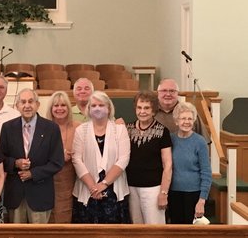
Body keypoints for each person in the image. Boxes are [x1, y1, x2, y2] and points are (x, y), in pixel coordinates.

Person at [0, 88, 64, 224]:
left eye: (31, 101)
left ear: (37, 105)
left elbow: (57, 162)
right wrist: (16, 163)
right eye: (23, 102)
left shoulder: (51, 128)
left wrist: (33, 173)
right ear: (17, 106)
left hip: (40, 194)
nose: (27, 105)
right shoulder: (7, 128)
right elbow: (1, 159)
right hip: (15, 195)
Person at [72, 91, 131, 224]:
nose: (97, 108)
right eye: (93, 106)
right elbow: (76, 159)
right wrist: (93, 186)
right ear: (88, 109)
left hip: (114, 190)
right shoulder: (81, 130)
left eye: (101, 105)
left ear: (109, 108)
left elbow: (123, 159)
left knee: (113, 237)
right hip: (87, 189)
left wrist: (104, 184)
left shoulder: (120, 130)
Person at [126, 91, 172, 224]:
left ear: (153, 110)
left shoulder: (163, 131)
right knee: (136, 229)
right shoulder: (127, 129)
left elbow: (167, 165)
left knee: (154, 230)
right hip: (131, 187)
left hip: (153, 189)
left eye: (146, 108)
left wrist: (163, 193)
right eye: (139, 108)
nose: (142, 111)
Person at [168, 102, 212, 224]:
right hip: (173, 193)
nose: (186, 122)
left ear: (194, 121)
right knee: (176, 230)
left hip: (194, 194)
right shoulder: (170, 139)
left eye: (190, 119)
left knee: (192, 234)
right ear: (176, 121)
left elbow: (206, 172)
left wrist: (202, 200)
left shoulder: (200, 142)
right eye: (183, 118)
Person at [46, 91, 81, 223]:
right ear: (51, 109)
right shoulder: (44, 127)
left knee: (65, 216)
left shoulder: (78, 127)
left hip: (70, 180)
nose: (59, 109)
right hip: (47, 180)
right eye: (56, 106)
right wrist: (59, 157)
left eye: (63, 105)